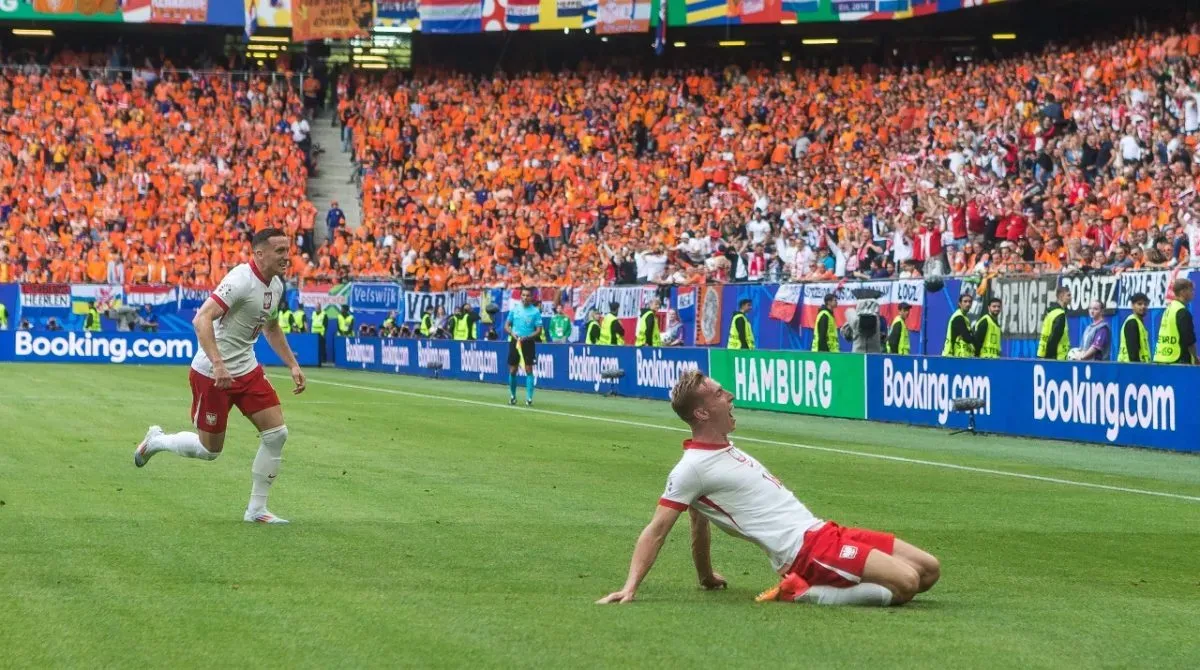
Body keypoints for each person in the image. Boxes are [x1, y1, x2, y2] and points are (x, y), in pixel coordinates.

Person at [596, 370, 940, 607]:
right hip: (803, 552)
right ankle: (800, 592)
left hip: (823, 532)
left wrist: (706, 576)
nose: (729, 395)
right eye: (719, 394)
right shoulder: (691, 468)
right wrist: (630, 587)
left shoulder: (723, 450)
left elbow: (699, 523)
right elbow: (656, 530)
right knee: (906, 583)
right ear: (701, 413)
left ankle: (830, 582)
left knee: (928, 570)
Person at [132, 229, 307, 525]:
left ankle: (256, 510)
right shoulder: (240, 280)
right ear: (259, 253)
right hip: (212, 373)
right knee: (210, 450)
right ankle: (157, 441)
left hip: (247, 369)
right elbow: (201, 318)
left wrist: (292, 364)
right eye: (279, 251)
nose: (286, 257)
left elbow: (271, 327)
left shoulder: (276, 285)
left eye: (287, 250)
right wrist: (219, 364)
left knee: (277, 434)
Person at [506, 287, 543, 406]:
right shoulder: (515, 309)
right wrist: (512, 334)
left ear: (531, 297)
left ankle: (529, 398)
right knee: (513, 369)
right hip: (515, 342)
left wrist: (528, 337)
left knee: (528, 369)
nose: (525, 298)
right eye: (523, 295)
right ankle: (513, 396)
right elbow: (507, 326)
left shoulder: (535, 312)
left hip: (528, 342)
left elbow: (539, 330)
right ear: (520, 296)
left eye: (528, 295)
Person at [1154, 279, 1197, 365]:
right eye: (1191, 290)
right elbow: (1188, 339)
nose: (1193, 293)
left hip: (1161, 357)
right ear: (1183, 292)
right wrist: (1195, 357)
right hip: (1178, 359)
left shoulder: (1169, 309)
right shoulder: (1182, 311)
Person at [1037, 287, 1072, 361]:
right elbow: (1053, 339)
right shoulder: (1060, 314)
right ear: (1061, 296)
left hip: (1044, 355)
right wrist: (1050, 359)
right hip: (1057, 358)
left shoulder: (1051, 312)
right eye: (1068, 295)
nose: (1071, 298)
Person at [1117, 293, 1150, 363]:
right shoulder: (1132, 322)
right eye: (1139, 304)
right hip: (1130, 366)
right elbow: (1133, 352)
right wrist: (1136, 367)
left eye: (1145, 304)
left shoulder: (1139, 323)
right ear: (1132, 305)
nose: (1143, 306)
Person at [943, 293, 974, 358]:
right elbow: (967, 338)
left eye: (970, 302)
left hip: (958, 356)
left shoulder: (965, 318)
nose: (968, 304)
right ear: (959, 303)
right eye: (965, 301)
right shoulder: (958, 317)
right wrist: (971, 335)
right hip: (952, 355)